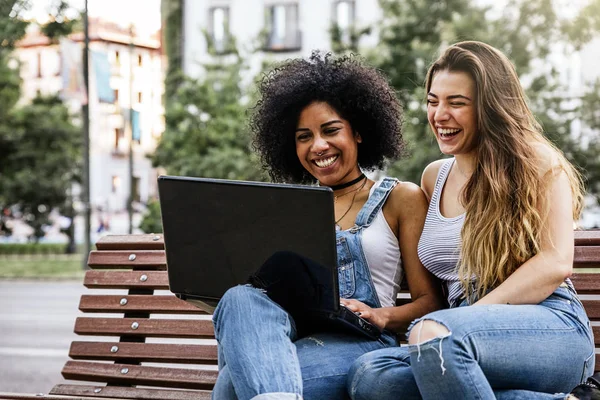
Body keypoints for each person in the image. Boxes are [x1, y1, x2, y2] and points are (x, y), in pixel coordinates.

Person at [347, 40, 597, 400]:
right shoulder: (435, 177)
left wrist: (463, 321)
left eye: (457, 103)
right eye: (433, 101)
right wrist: (392, 317)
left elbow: (554, 263)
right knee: (372, 376)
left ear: (490, 107)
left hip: (548, 327)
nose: (439, 115)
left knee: (437, 341)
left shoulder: (538, 164)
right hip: (460, 337)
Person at [211, 51, 445, 400]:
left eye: (330, 130)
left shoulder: (401, 198)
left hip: (363, 342)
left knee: (232, 386)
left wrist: (380, 315)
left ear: (360, 133)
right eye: (303, 136)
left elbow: (431, 303)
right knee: (239, 297)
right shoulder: (289, 210)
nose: (318, 145)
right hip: (293, 337)